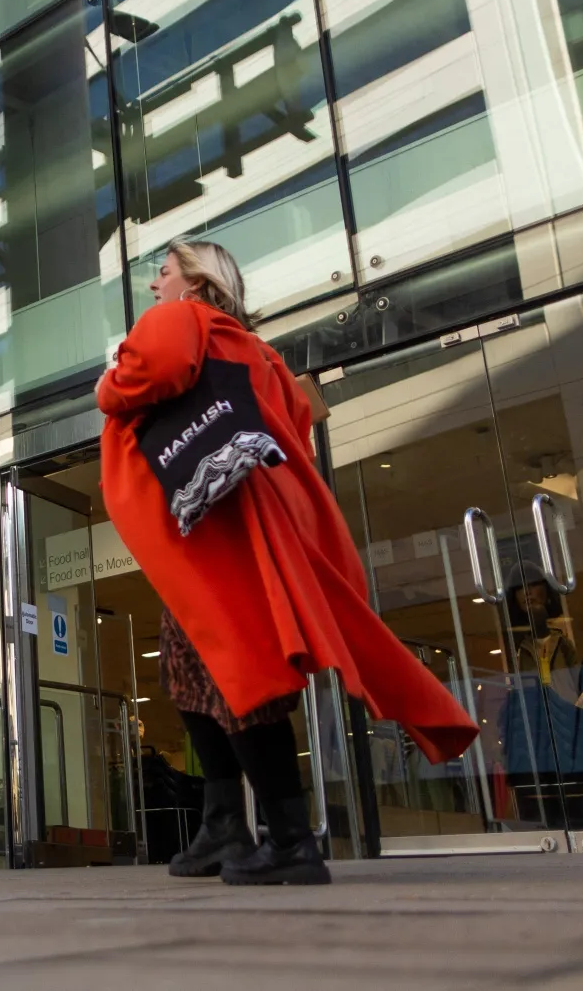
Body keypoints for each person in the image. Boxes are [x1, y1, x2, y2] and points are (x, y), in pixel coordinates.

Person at [98, 242, 478, 885]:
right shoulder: (257, 352)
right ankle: (224, 821)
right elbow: (293, 421)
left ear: (196, 282)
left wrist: (109, 381)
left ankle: (292, 839)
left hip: (217, 526)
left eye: (163, 273)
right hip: (241, 517)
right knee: (189, 666)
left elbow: (144, 373)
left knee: (240, 668)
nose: (155, 286)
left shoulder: (180, 319)